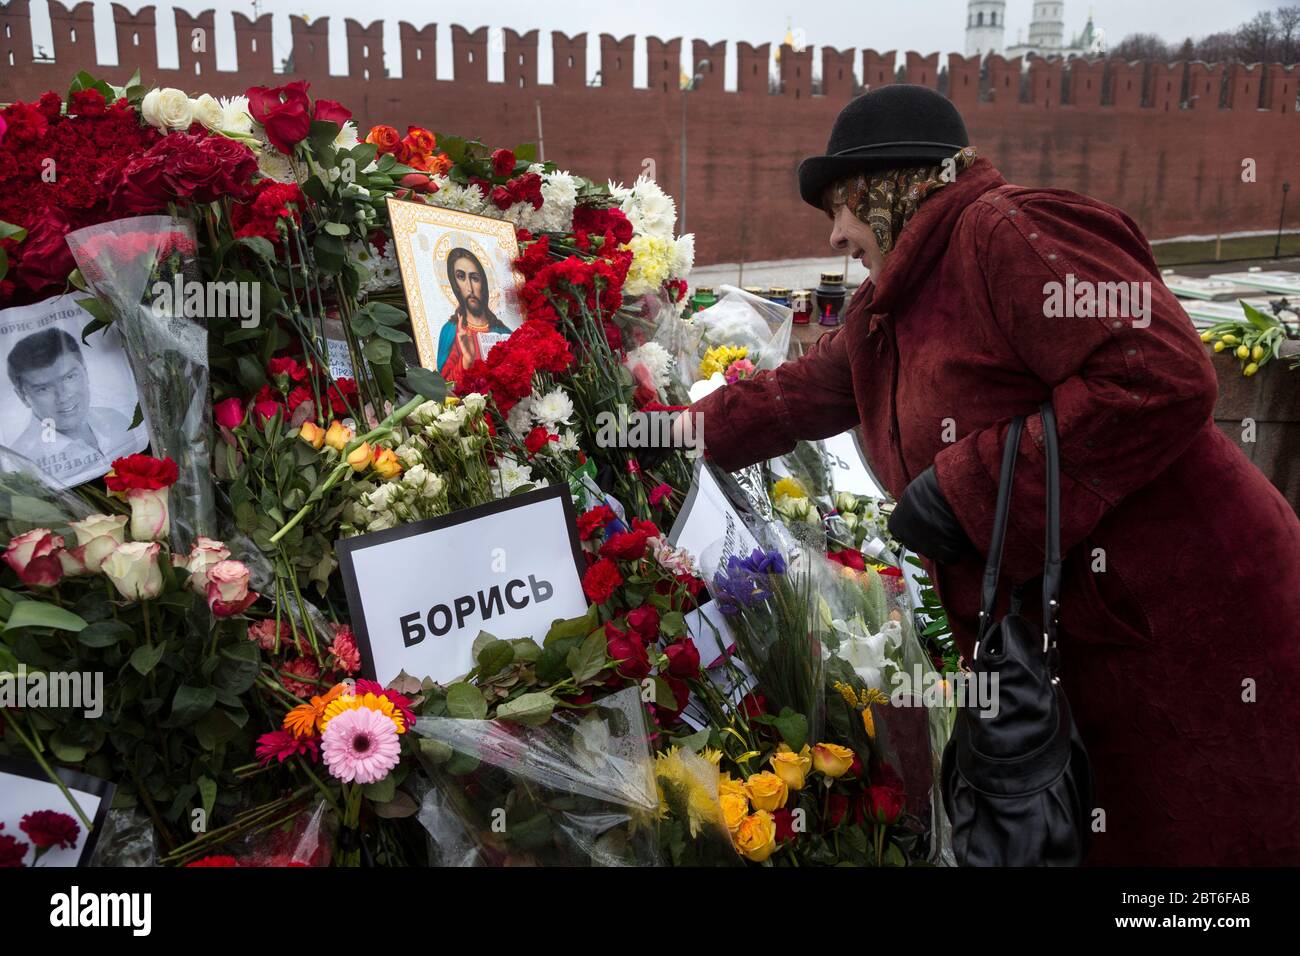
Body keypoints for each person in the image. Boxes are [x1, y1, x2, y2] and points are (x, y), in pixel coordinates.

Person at [686, 84, 1300, 866]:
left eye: (843, 206)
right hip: (1076, 633)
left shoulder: (1007, 231)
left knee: (1204, 840)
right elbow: (792, 397)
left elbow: (1159, 373)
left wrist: (961, 488)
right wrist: (657, 437)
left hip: (1187, 623)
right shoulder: (891, 308)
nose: (838, 235)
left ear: (897, 188)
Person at [4, 327, 133, 484]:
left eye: (69, 377)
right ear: (22, 397)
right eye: (43, 388)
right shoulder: (19, 464)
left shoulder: (117, 420)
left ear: (85, 371)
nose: (63, 396)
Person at [436, 247, 510, 379]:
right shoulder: (451, 332)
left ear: (484, 283)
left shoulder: (504, 332)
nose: (469, 288)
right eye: (460, 277)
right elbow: (443, 388)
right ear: (455, 284)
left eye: (475, 278)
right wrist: (467, 360)